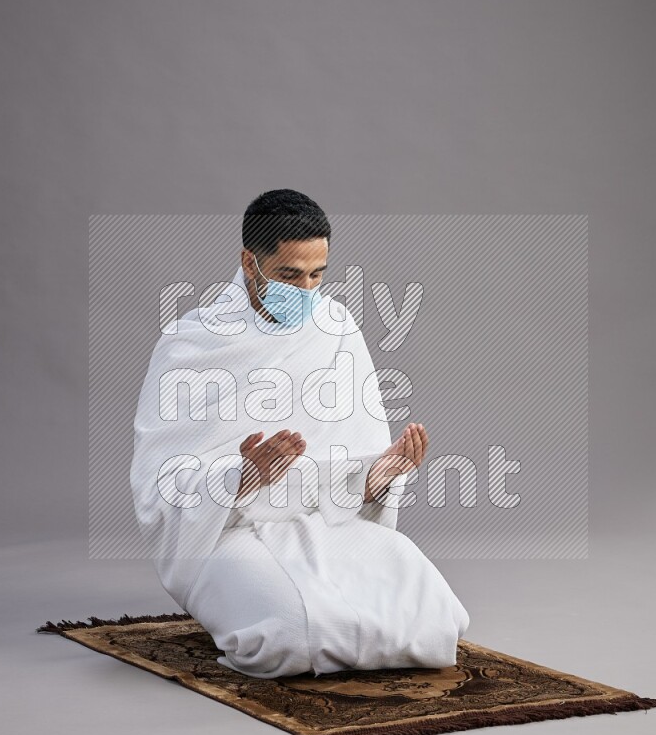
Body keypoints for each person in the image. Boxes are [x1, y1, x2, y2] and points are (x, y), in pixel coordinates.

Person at [129, 190, 470, 678]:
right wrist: (241, 476)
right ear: (250, 262)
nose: (307, 290)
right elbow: (159, 483)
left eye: (318, 274)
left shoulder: (336, 329)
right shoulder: (191, 343)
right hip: (228, 533)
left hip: (325, 522)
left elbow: (356, 470)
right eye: (290, 274)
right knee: (289, 635)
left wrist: (379, 475)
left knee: (437, 617)